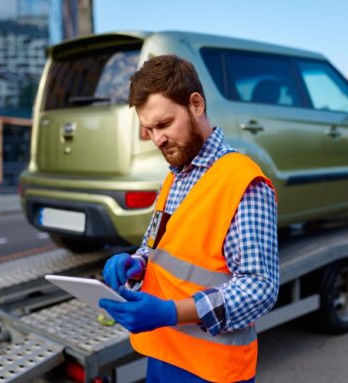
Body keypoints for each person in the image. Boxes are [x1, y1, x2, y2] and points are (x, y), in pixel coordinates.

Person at [99, 55, 279, 383]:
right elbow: (159, 247)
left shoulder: (242, 181)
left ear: (196, 104)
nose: (157, 139)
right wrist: (136, 262)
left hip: (213, 371)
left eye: (164, 124)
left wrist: (171, 312)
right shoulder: (175, 177)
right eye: (149, 129)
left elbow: (260, 287)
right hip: (164, 355)